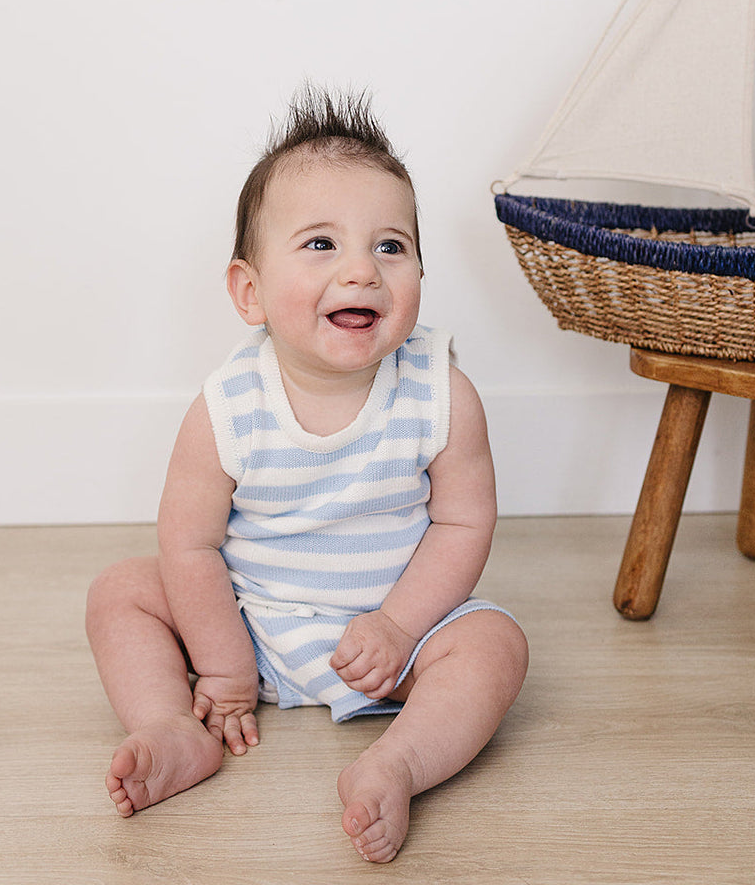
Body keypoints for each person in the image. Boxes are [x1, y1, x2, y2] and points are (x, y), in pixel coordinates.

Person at [85, 87, 528, 864]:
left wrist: (398, 627)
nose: (362, 271)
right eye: (321, 244)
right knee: (122, 591)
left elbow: (465, 522)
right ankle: (169, 726)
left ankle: (398, 761)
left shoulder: (439, 393)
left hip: (397, 638)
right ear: (249, 292)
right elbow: (189, 546)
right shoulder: (226, 406)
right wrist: (223, 668)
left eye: (389, 247)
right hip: (250, 626)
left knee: (496, 645)